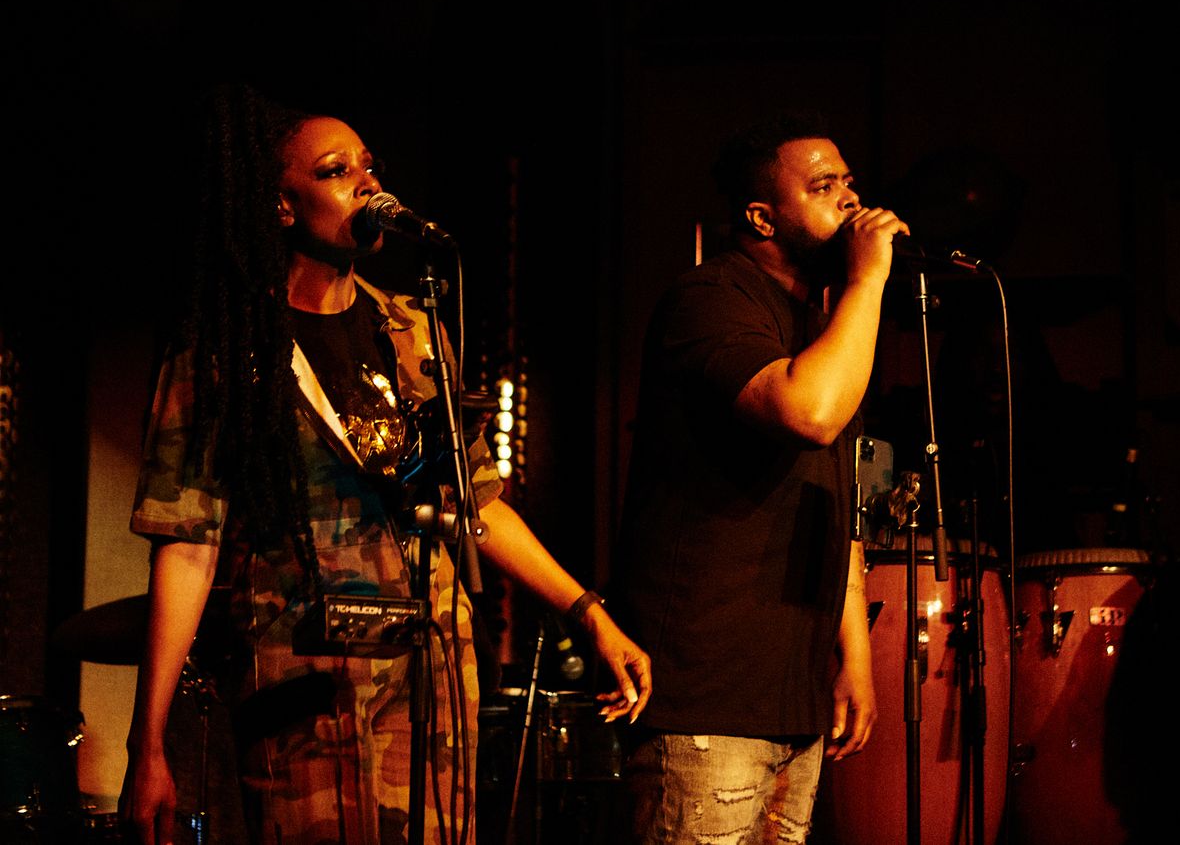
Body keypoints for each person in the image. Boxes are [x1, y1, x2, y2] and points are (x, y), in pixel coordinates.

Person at [118, 84, 651, 845]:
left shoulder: (413, 329)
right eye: (336, 171)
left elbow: (475, 505)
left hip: (430, 676)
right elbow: (186, 546)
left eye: (369, 165)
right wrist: (147, 743)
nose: (366, 183)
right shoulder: (226, 350)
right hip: (304, 682)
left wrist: (589, 613)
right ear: (281, 205)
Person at [610, 113, 900, 843]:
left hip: (791, 694)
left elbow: (834, 500)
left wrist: (854, 654)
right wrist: (868, 279)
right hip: (708, 698)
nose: (850, 200)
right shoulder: (710, 298)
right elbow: (810, 412)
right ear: (761, 217)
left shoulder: (822, 327)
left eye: (850, 182)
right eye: (824, 186)